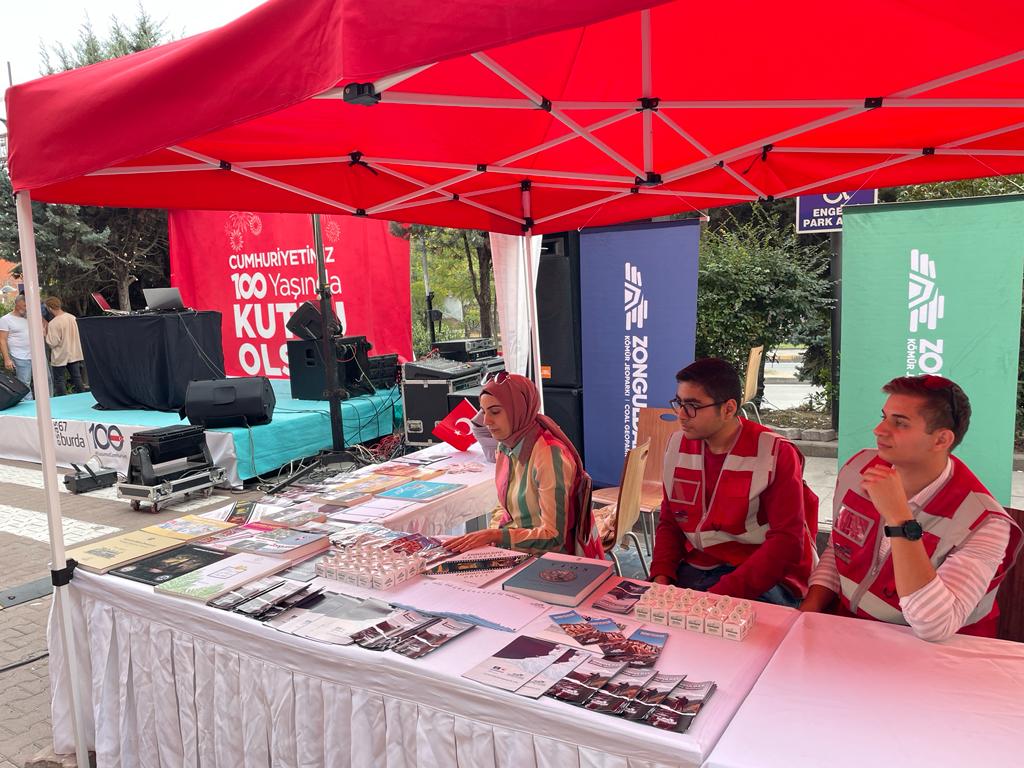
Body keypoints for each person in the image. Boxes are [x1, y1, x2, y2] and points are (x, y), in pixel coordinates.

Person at [801, 375, 1021, 640]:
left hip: (936, 649)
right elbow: (838, 550)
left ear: (941, 440)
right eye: (884, 417)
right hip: (853, 628)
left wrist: (900, 520)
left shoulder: (984, 521)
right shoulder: (858, 468)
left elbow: (935, 626)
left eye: (900, 423)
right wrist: (808, 610)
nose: (879, 430)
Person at [650, 358, 816, 606]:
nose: (681, 415)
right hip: (699, 564)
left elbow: (787, 543)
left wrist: (718, 598)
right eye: (679, 403)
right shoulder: (677, 445)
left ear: (728, 409)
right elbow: (670, 522)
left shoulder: (775, 453)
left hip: (764, 575)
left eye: (693, 406)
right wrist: (661, 577)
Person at [446, 372, 603, 557]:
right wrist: (495, 537)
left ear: (518, 410)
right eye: (484, 411)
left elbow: (554, 538)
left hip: (551, 560)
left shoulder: (549, 455)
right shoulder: (506, 445)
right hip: (519, 552)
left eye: (495, 412)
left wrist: (496, 536)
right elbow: (509, 512)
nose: (486, 421)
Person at [44, 296, 85, 395]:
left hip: (60, 355)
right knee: (77, 377)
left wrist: (45, 334)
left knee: (59, 380)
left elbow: (53, 342)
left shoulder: (54, 323)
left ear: (50, 308)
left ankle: (62, 400)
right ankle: (82, 397)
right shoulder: (72, 317)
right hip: (74, 353)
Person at [0, 295, 35, 397]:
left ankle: (45, 403)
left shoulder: (28, 317)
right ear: (17, 304)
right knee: (25, 384)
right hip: (20, 356)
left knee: (44, 380)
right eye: (24, 306)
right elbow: (2, 340)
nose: (26, 308)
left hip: (35, 355)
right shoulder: (5, 319)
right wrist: (7, 359)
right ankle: (28, 406)